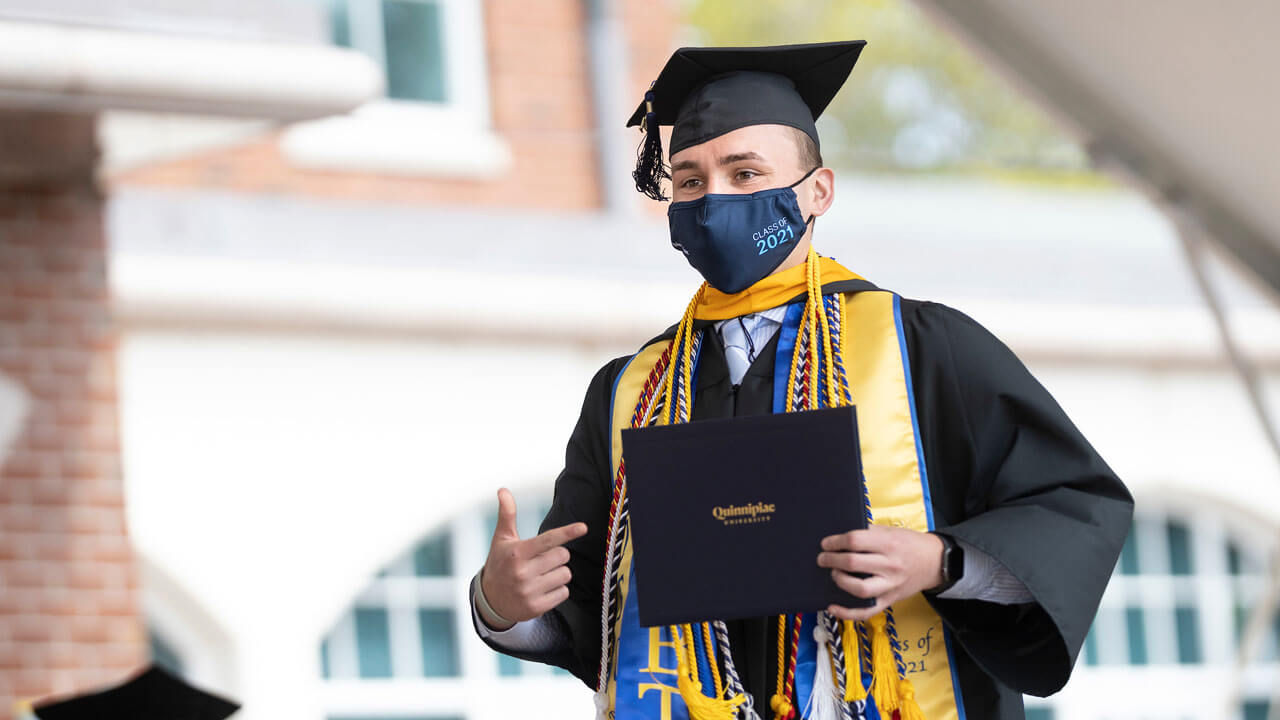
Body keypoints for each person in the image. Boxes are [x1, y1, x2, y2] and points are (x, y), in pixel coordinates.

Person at [468, 41, 1133, 720]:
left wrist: (940, 561)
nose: (714, 197)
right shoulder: (628, 391)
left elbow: (1074, 503)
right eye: (691, 181)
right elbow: (589, 612)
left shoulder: (923, 349)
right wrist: (501, 603)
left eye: (746, 173)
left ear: (818, 191)